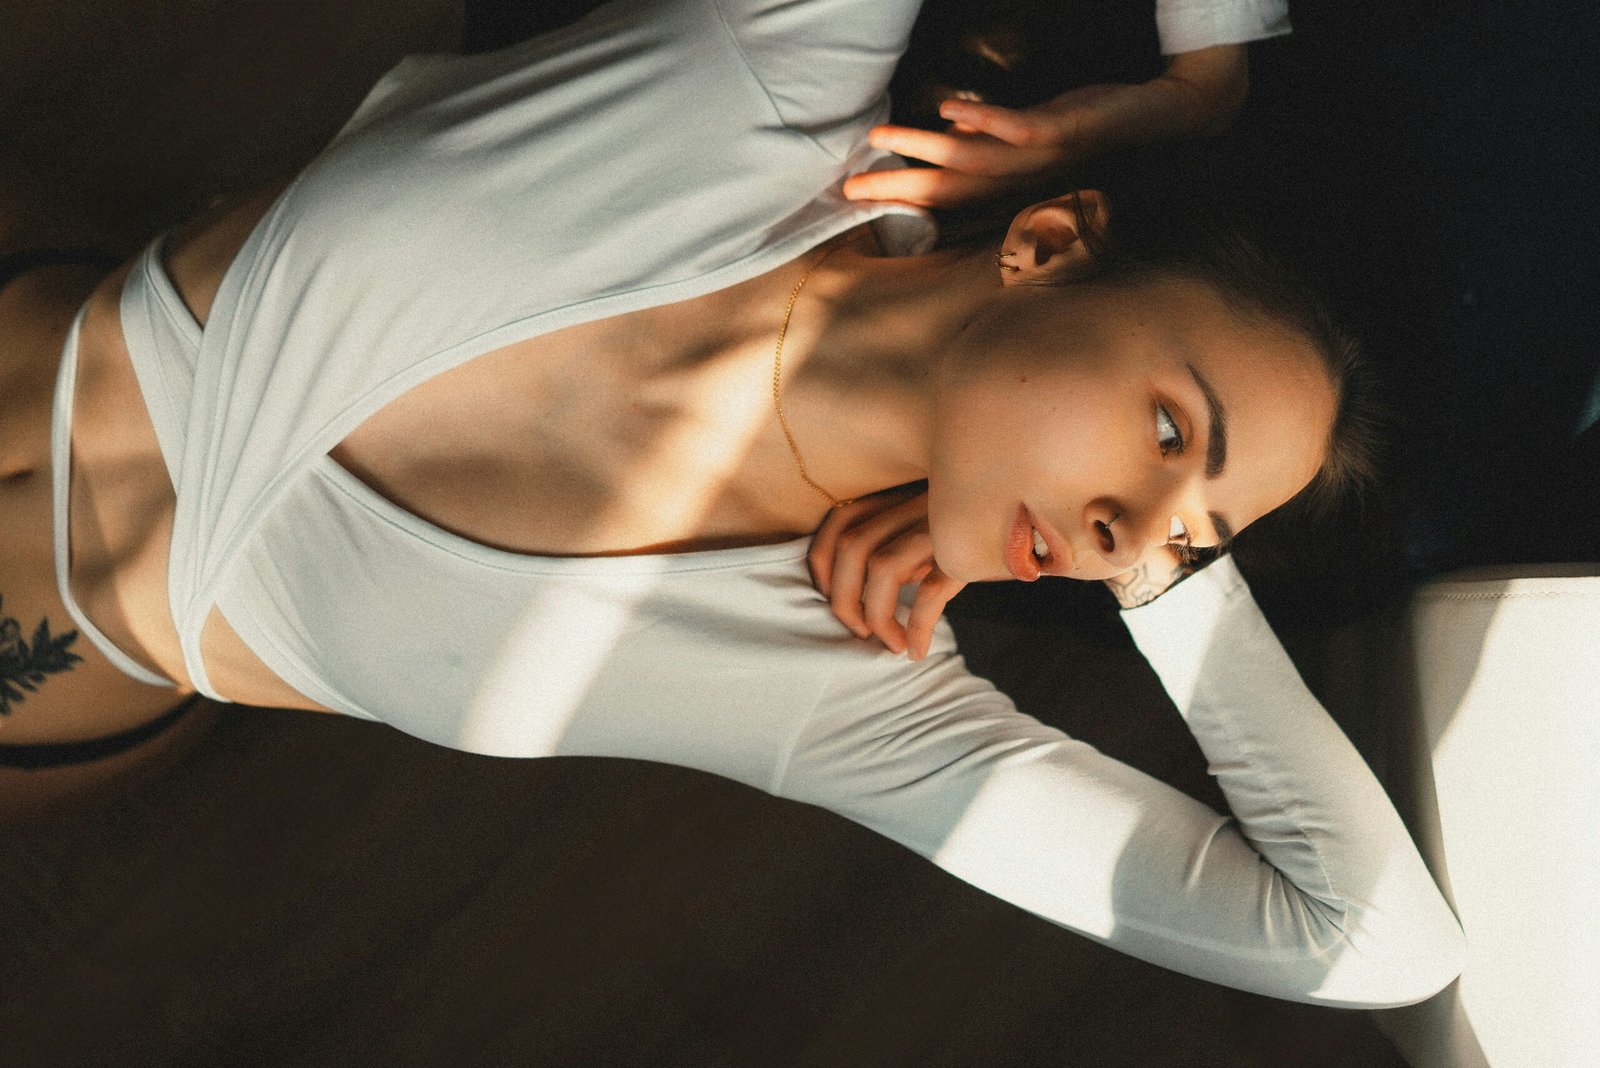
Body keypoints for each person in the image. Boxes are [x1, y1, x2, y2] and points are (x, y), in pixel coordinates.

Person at [0, 0, 1464, 1007]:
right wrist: (1198, 82)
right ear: (1047, 239)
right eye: (1166, 431)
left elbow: (1370, 945)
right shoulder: (764, 83)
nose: (1126, 532)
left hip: (66, 689)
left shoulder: (845, 698)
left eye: (1183, 543)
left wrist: (1177, 582)